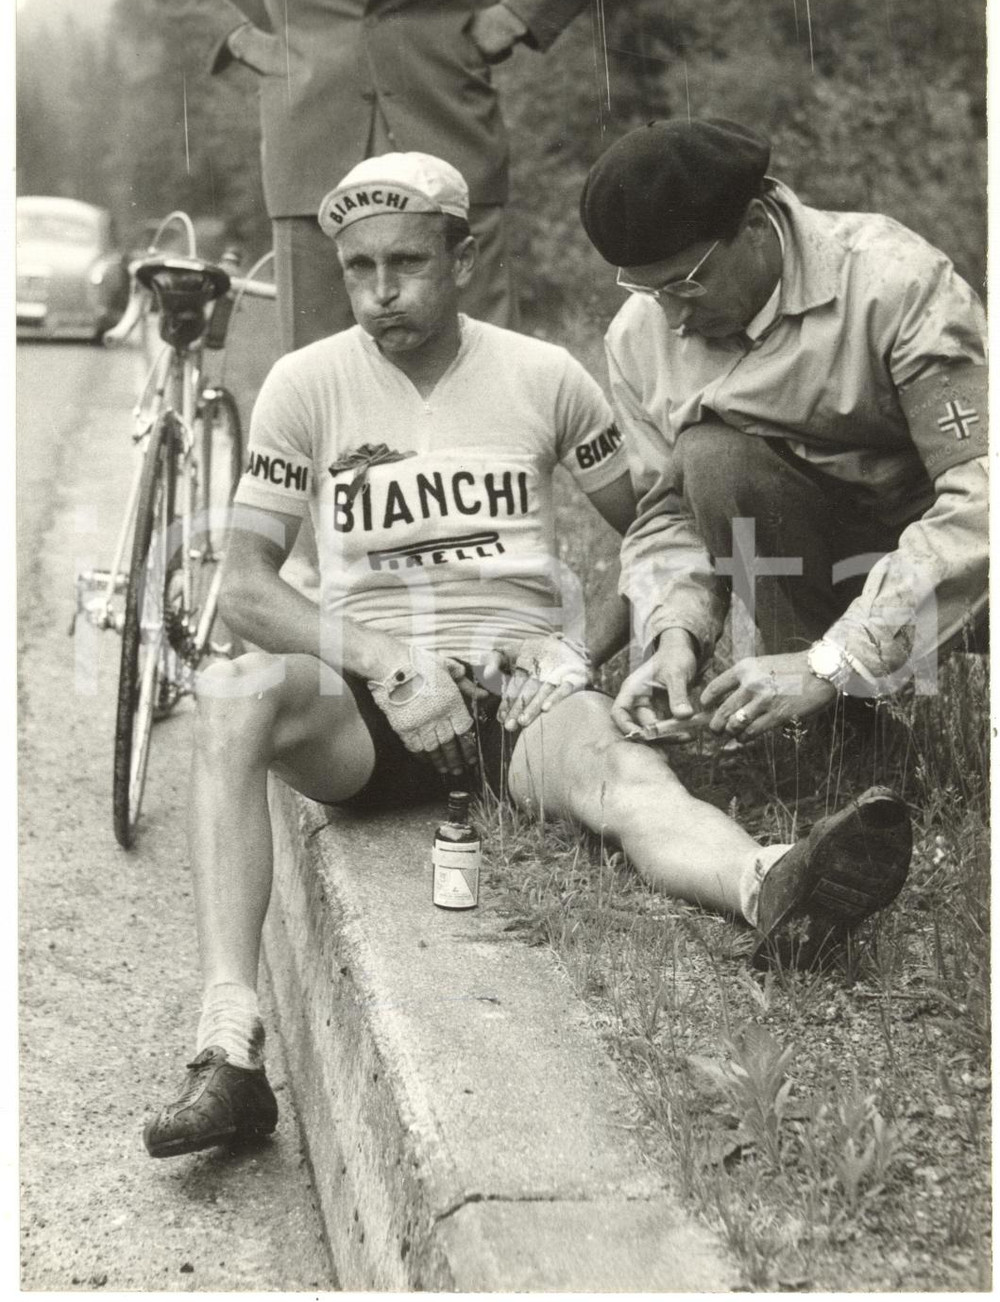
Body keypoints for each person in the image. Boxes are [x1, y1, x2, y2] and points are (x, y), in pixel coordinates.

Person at [142, 152, 912, 1160]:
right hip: (368, 711)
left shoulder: (544, 377)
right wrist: (385, 659)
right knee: (231, 689)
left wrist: (583, 657)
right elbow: (240, 588)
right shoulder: (304, 384)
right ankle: (228, 1051)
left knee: (626, 778)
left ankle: (770, 881)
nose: (382, 293)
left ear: (463, 253)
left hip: (516, 693)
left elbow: (660, 535)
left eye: (408, 262)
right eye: (359, 268)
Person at [578, 117, 987, 744]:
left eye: (688, 283)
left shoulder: (892, 282)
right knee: (713, 459)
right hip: (830, 560)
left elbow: (981, 496)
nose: (675, 316)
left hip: (957, 562)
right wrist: (674, 635)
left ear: (755, 224)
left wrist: (839, 658)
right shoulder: (639, 336)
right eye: (648, 288)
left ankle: (830, 686)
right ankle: (841, 738)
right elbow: (667, 514)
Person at [128, 0, 626, 351]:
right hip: (310, 141)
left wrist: (519, 15)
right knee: (319, 375)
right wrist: (238, 38)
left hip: (447, 125)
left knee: (483, 360)